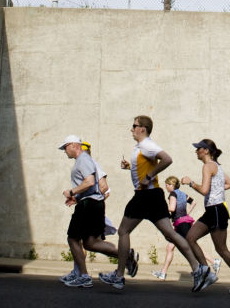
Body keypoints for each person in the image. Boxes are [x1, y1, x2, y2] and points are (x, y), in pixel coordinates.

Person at [99, 116, 212, 291]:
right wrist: (131, 167)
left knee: (123, 231)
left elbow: (167, 159)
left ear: (142, 128)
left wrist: (149, 176)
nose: (131, 129)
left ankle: (119, 275)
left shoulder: (147, 145)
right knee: (171, 235)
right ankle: (199, 269)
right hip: (153, 195)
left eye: (134, 126)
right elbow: (146, 167)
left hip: (145, 196)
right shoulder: (142, 147)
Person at [181, 139, 230, 295]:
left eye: (198, 148)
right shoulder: (217, 167)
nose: (196, 151)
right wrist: (218, 191)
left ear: (206, 150)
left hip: (216, 211)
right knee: (190, 237)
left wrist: (190, 183)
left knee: (221, 249)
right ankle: (207, 272)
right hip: (213, 210)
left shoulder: (208, 166)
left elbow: (205, 190)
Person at [58, 135, 130, 288]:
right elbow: (93, 186)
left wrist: (71, 192)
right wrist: (77, 198)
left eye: (65, 147)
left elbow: (90, 182)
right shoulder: (86, 160)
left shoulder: (83, 160)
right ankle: (126, 255)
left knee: (72, 238)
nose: (65, 151)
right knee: (91, 243)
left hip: (88, 205)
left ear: (73, 145)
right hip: (92, 203)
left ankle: (83, 276)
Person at [152, 176, 220, 280]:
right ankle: (163, 272)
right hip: (183, 222)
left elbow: (172, 208)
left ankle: (212, 262)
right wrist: (187, 213)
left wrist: (161, 208)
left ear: (171, 185)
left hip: (181, 224)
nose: (166, 186)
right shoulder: (182, 194)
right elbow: (193, 202)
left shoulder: (173, 194)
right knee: (170, 247)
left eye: (167, 184)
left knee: (191, 245)